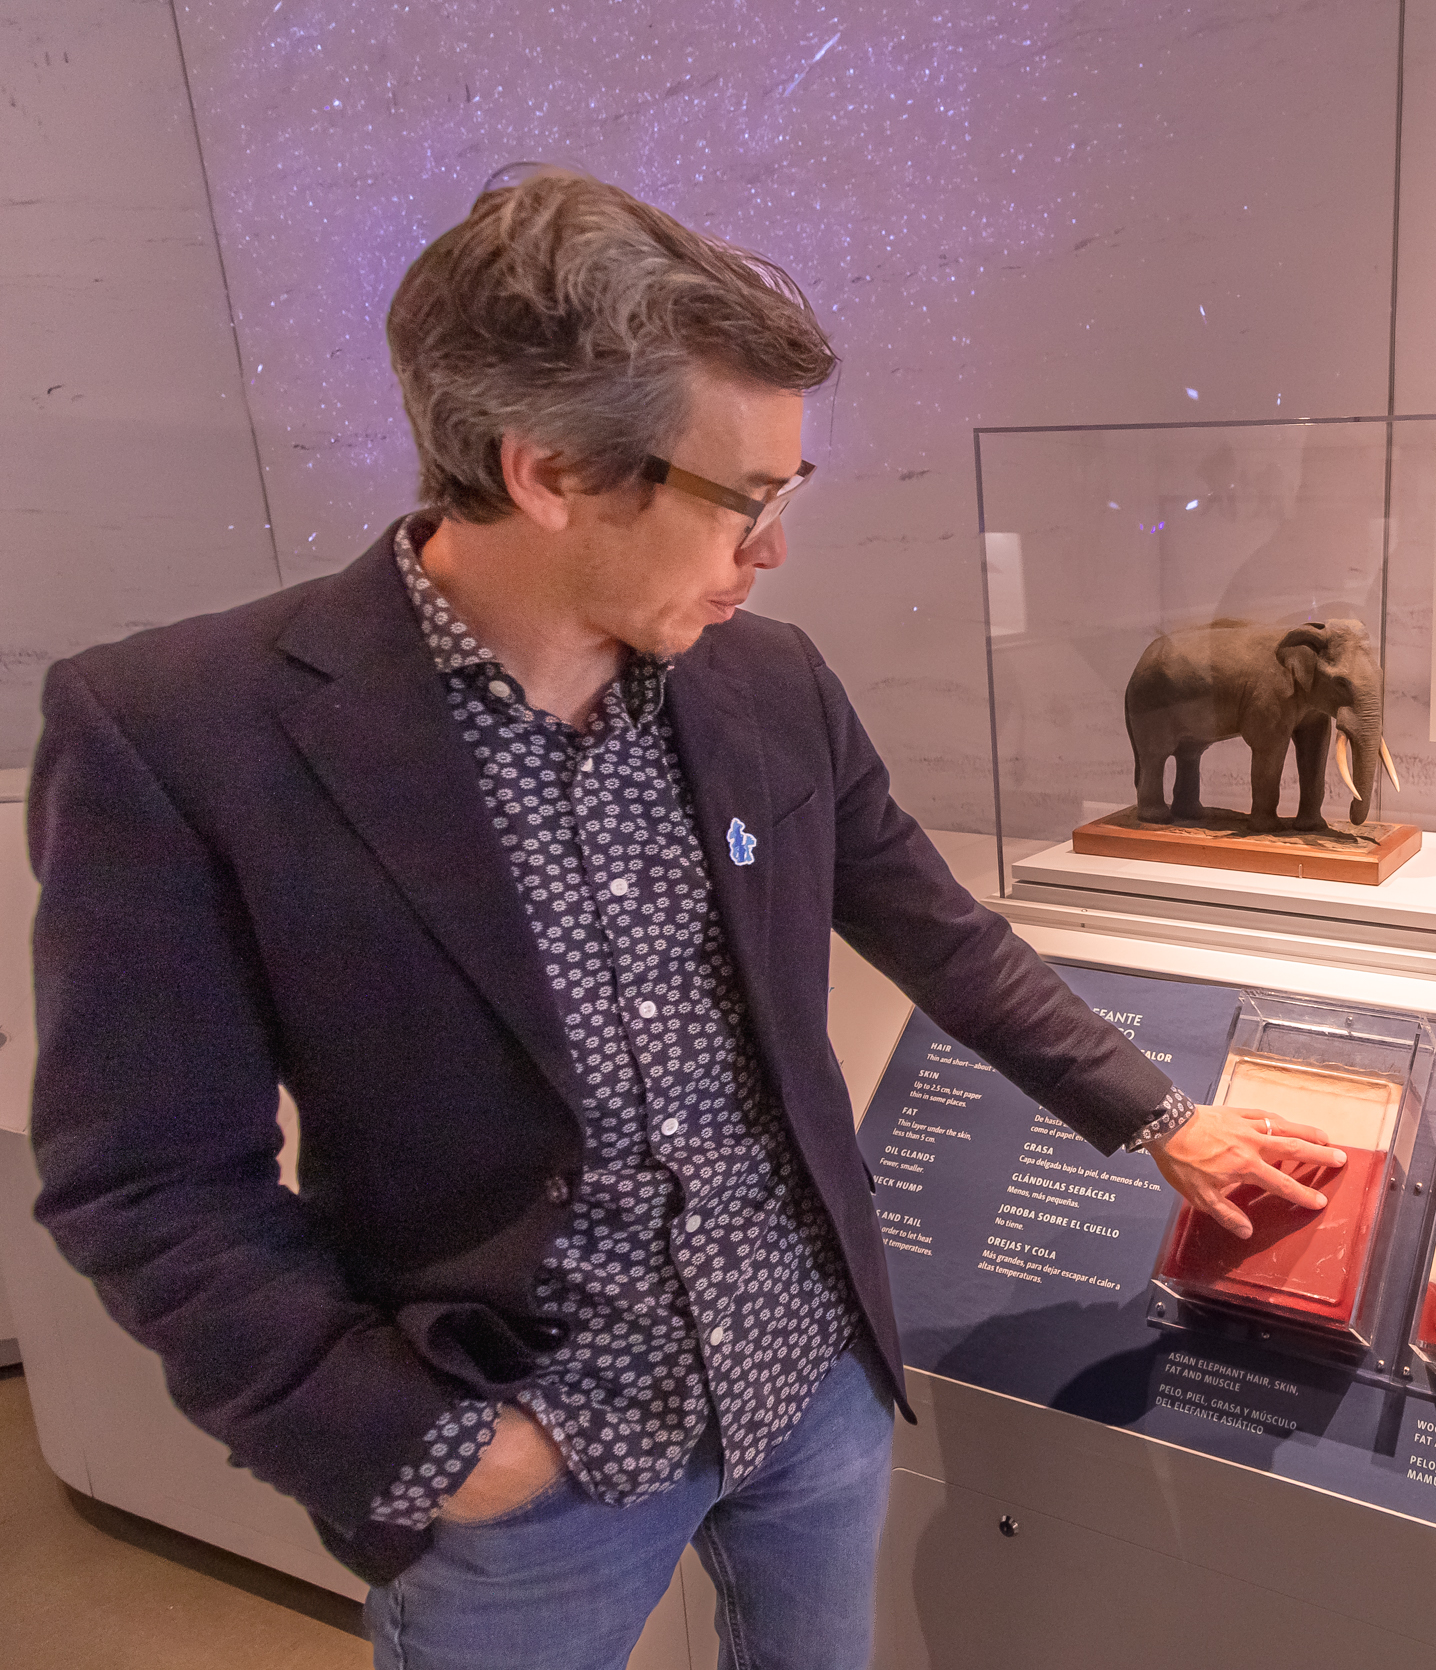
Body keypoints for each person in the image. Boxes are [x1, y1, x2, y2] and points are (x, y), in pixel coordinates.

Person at [24, 169, 1345, 1670]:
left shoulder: (767, 682)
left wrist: (1162, 1117)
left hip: (810, 1388)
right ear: (550, 473)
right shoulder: (184, 733)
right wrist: (419, 1441)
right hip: (528, 1462)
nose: (771, 549)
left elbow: (933, 925)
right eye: (745, 499)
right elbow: (142, 1179)